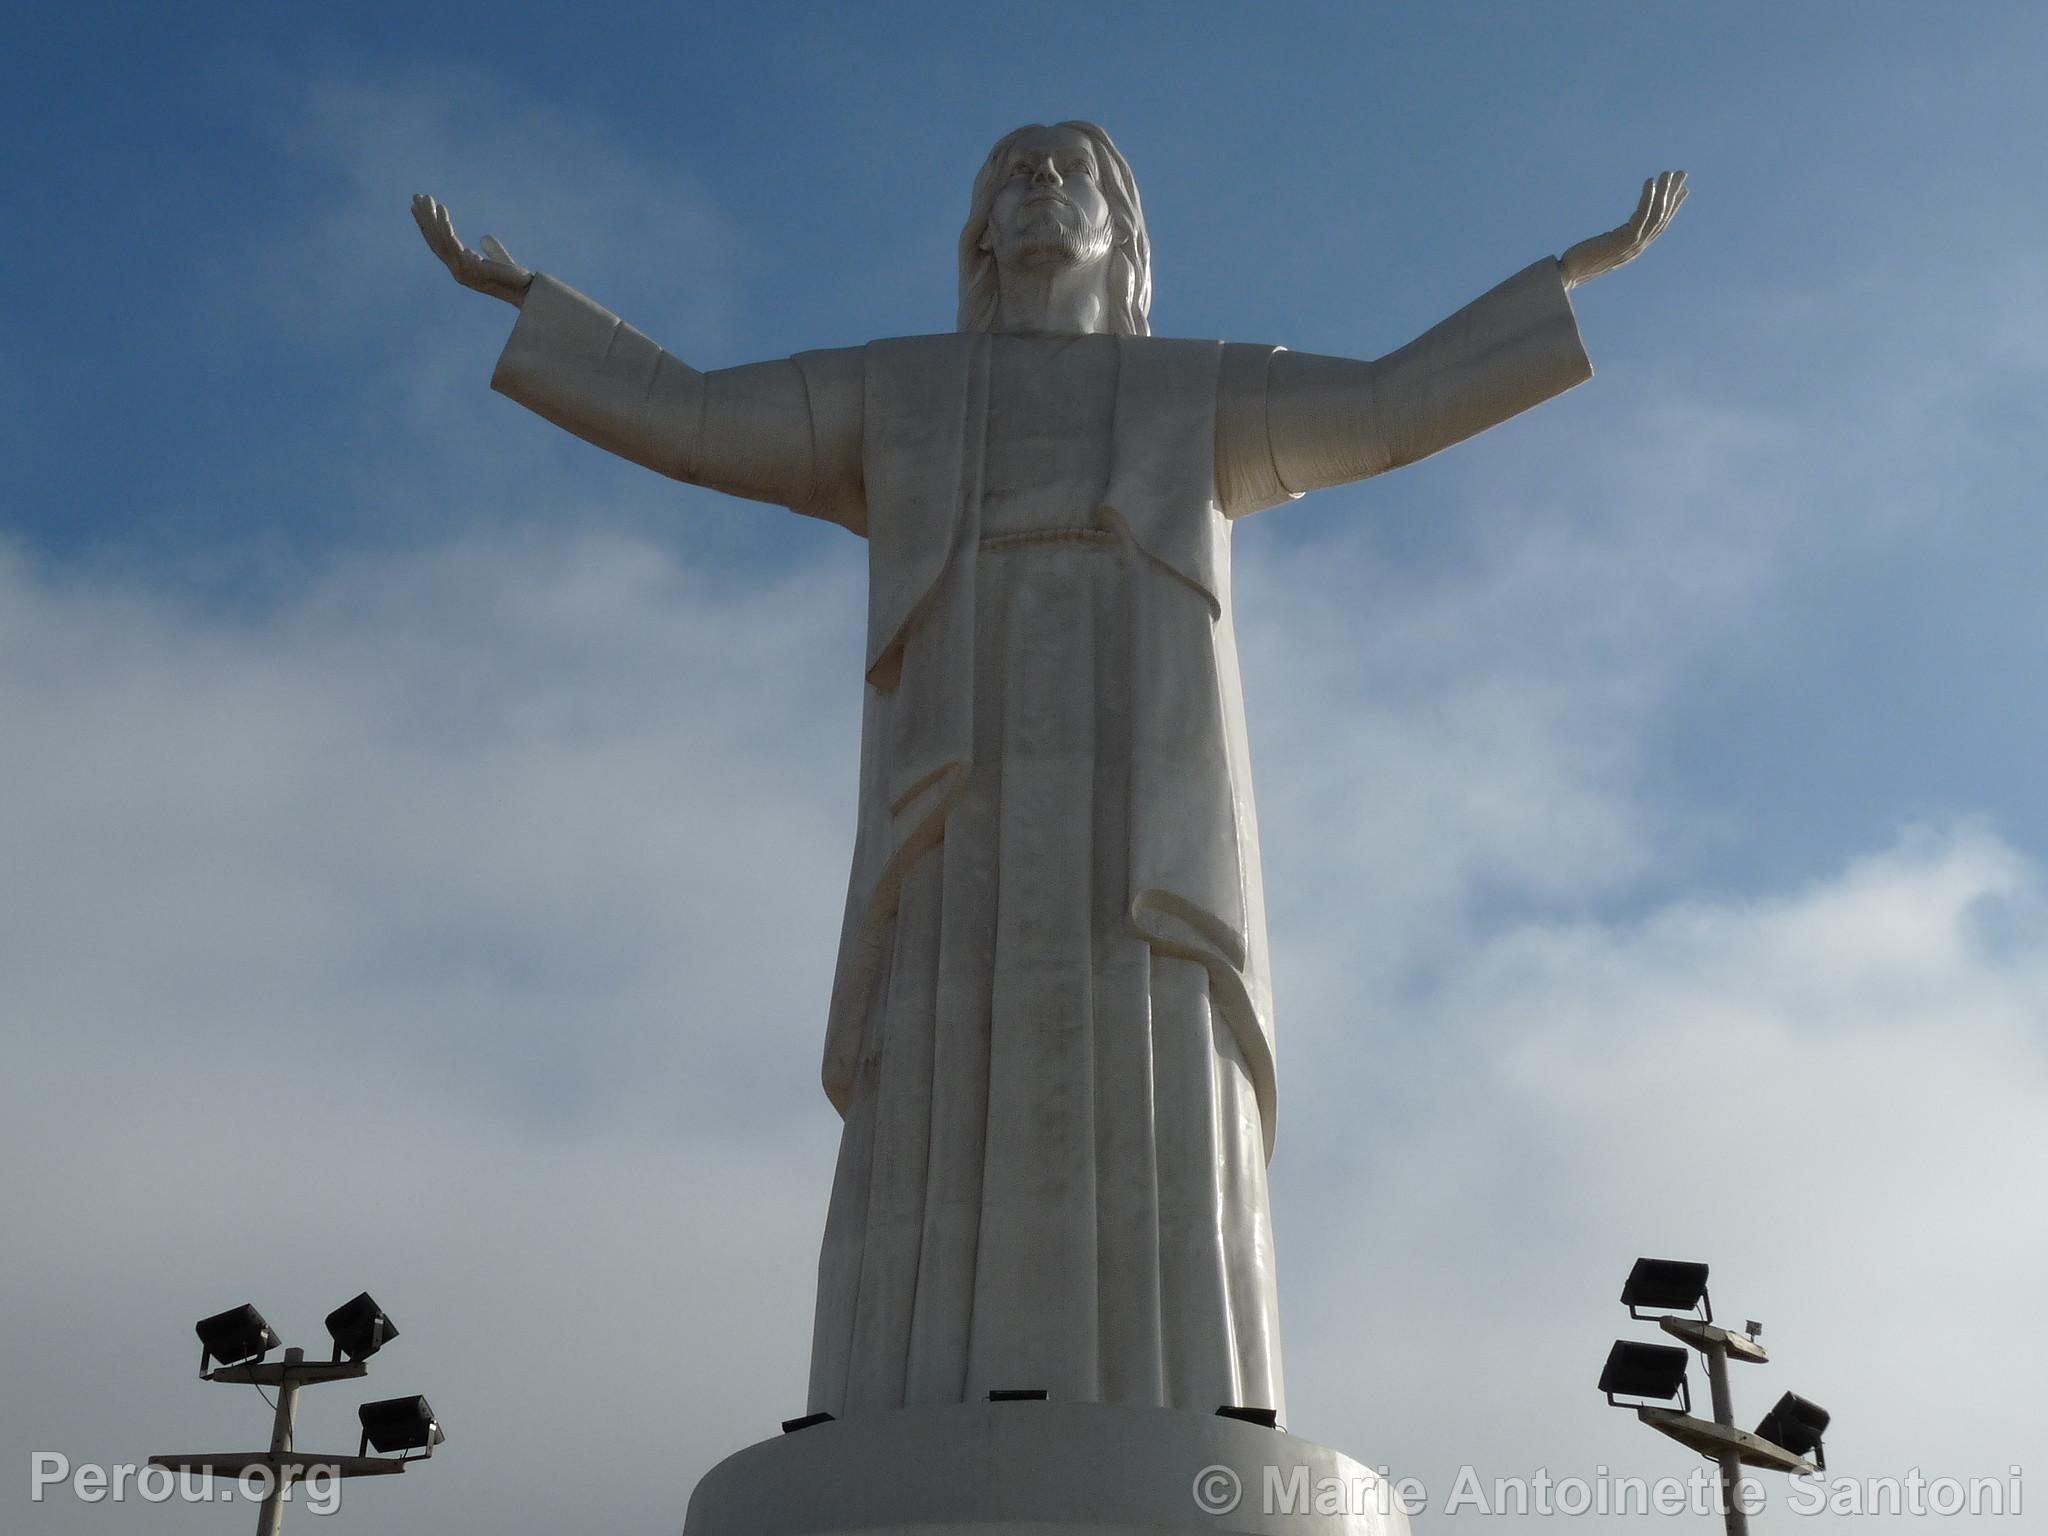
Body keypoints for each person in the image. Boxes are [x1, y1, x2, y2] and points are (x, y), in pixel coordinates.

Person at [414, 121, 1685, 1422]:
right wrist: (537, 307)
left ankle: (1179, 1392)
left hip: (1144, 773)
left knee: (1147, 1014)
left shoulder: (1196, 391)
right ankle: (907, 1395)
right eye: (1010, 174)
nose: (1037, 188)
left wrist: (1563, 281)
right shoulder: (899, 392)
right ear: (976, 235)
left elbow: (1383, 405)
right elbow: (691, 416)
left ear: (1126, 233)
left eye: (1071, 172)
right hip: (958, 776)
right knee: (942, 1038)